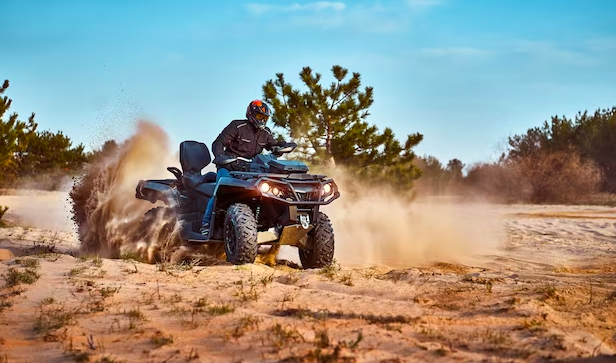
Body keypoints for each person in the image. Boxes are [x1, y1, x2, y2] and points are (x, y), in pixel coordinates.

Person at [200, 99, 282, 238]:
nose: (262, 120)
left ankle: (275, 225)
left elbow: (273, 145)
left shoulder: (265, 133)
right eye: (259, 117)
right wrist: (220, 156)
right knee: (218, 191)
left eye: (264, 118)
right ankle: (206, 225)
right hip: (229, 167)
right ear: (250, 114)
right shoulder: (237, 126)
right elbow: (218, 143)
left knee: (269, 192)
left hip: (251, 170)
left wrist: (280, 148)